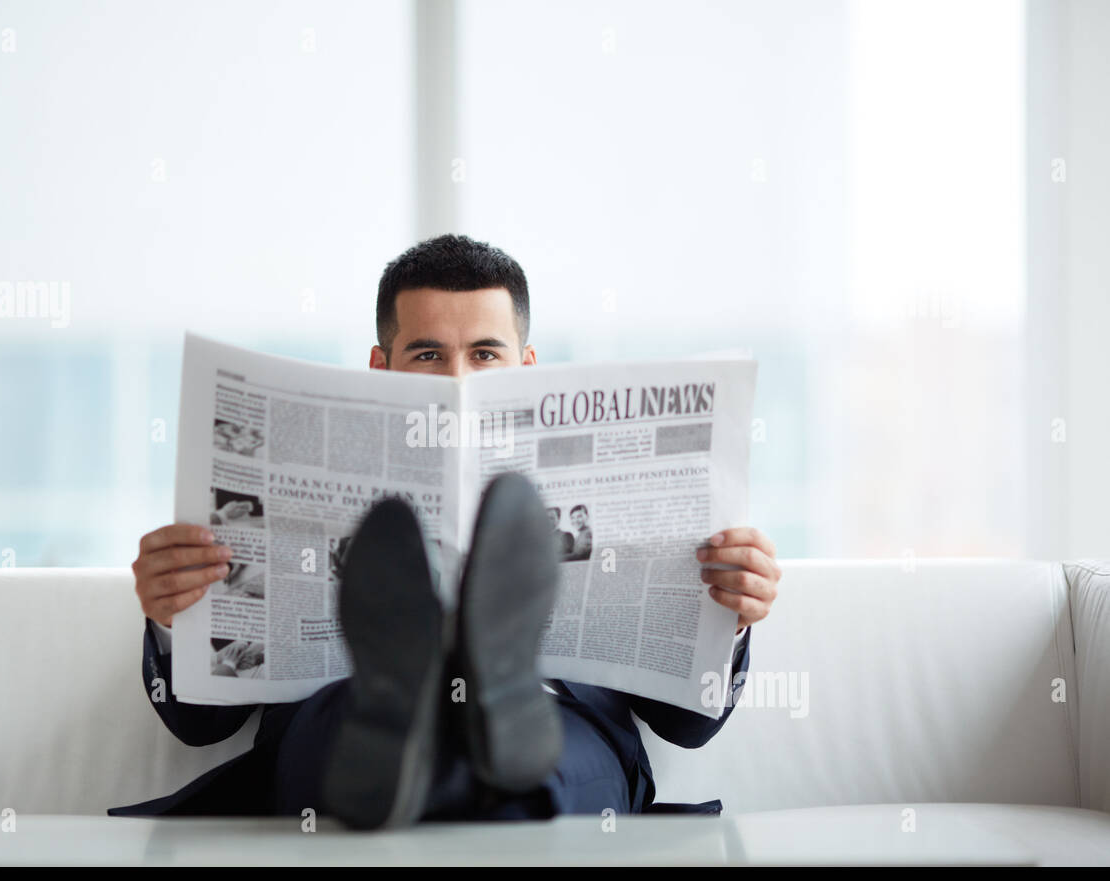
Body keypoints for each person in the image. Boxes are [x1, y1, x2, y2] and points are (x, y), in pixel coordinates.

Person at [112, 235, 782, 829]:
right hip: (345, 709)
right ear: (382, 367)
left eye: (484, 354)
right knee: (364, 745)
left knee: (543, 768)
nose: (458, 380)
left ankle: (491, 713)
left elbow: (689, 726)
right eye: (428, 353)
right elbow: (198, 723)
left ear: (526, 366)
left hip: (560, 722)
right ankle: (428, 717)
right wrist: (176, 618)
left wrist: (730, 613)